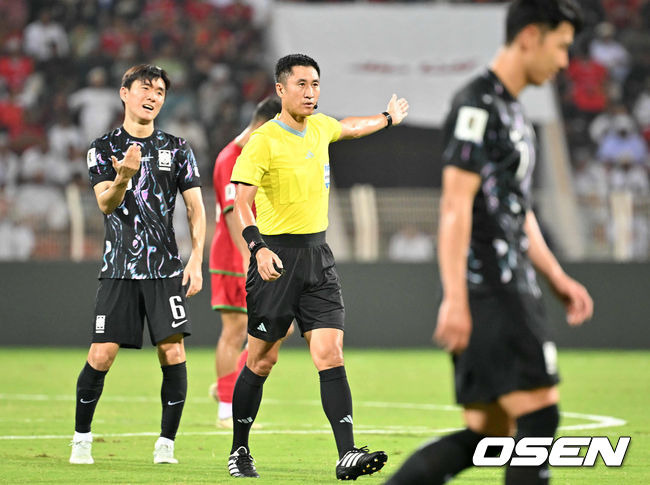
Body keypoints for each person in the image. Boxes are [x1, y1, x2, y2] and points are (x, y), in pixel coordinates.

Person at [386, 2, 594, 484]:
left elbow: (518, 214)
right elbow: (455, 205)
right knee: (539, 420)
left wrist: (557, 276)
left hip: (507, 284)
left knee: (488, 434)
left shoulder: (514, 112)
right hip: (491, 289)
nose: (565, 61)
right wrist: (456, 299)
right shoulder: (475, 104)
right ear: (529, 38)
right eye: (561, 45)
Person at [226, 53, 409, 480]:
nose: (311, 93)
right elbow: (241, 203)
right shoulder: (264, 141)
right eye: (302, 85)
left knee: (330, 353)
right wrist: (257, 249)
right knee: (261, 360)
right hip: (275, 260)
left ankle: (347, 453)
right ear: (281, 89)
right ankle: (239, 449)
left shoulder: (321, 126)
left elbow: (350, 127)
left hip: (318, 259)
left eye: (316, 85)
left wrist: (387, 117)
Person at [69, 64, 205, 466]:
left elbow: (197, 209)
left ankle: (166, 444)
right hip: (119, 268)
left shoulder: (177, 148)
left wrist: (196, 259)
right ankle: (81, 440)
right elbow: (105, 203)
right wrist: (124, 176)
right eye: (145, 88)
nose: (153, 96)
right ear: (124, 93)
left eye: (160, 91)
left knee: (173, 354)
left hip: (165, 270)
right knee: (101, 355)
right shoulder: (103, 147)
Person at [208, 96, 283, 428]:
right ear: (264, 124)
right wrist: (248, 262)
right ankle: (226, 408)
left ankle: (224, 386)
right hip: (234, 257)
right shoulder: (231, 157)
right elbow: (233, 216)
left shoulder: (255, 155)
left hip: (257, 254)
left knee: (277, 330)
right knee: (235, 330)